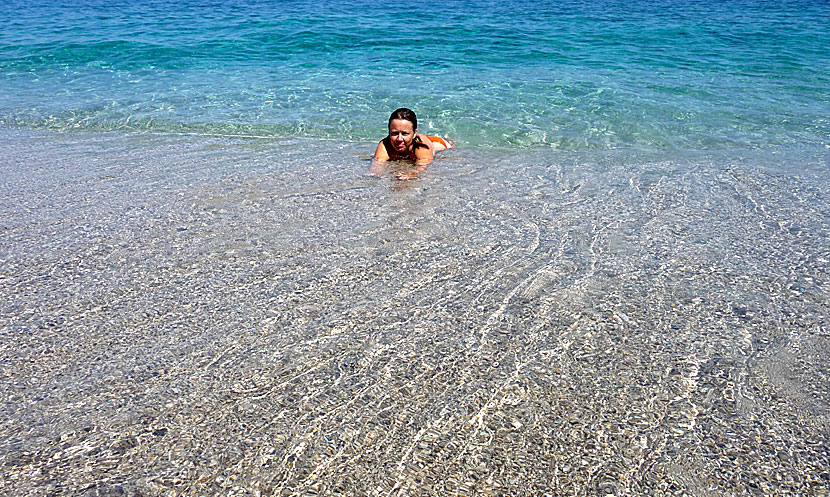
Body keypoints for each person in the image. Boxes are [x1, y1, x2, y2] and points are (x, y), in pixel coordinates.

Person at [370, 108, 451, 178]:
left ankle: (448, 139)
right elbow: (377, 165)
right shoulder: (385, 145)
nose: (399, 139)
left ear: (414, 133)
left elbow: (423, 166)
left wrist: (410, 174)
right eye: (394, 133)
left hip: (437, 143)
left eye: (405, 133)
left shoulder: (421, 146)